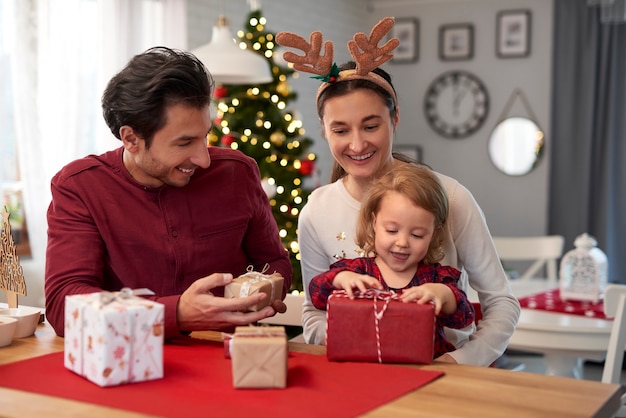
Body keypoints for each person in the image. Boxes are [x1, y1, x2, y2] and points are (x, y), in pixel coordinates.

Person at [277, 17, 520, 366]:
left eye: (371, 125)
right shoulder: (317, 209)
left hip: (440, 373)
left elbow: (501, 303)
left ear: (394, 119)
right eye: (340, 130)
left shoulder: (449, 197)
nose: (357, 143)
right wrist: (353, 339)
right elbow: (315, 312)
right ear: (325, 131)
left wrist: (460, 364)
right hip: (357, 371)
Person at [44, 46, 291, 339]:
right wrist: (175, 314)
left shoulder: (238, 172)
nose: (204, 158)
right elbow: (64, 304)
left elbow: (274, 263)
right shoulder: (80, 187)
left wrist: (265, 290)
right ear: (131, 138)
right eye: (184, 143)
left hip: (229, 360)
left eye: (205, 136)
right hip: (126, 365)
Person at [308, 165, 475, 358]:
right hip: (365, 366)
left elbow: (464, 317)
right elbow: (316, 295)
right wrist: (340, 279)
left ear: (433, 234)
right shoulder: (358, 271)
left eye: (416, 234)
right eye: (392, 231)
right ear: (374, 223)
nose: (402, 243)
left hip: (423, 371)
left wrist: (446, 296)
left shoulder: (436, 277)